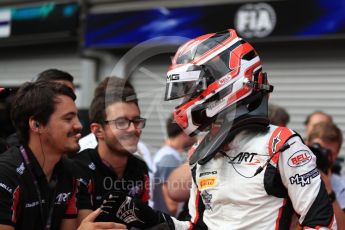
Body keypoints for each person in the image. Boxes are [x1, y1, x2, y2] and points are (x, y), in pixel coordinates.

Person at [98, 29, 336, 229]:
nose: (183, 102)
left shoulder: (281, 144)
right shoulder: (199, 153)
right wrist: (153, 219)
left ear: (226, 83)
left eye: (190, 89)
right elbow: (196, 225)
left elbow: (321, 223)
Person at [0, 81, 82, 230]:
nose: (79, 125)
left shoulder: (70, 171)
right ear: (36, 125)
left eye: (76, 117)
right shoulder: (6, 175)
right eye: (68, 119)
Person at [72, 77, 150, 223]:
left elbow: (145, 221)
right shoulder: (78, 168)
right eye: (122, 122)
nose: (133, 129)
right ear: (98, 130)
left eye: (137, 121)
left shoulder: (140, 169)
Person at [6, 69, 75, 148]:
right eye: (60, 92)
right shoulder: (15, 147)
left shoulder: (75, 140)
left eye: (70, 94)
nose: (69, 99)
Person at [152, 115, 196, 216]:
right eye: (193, 131)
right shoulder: (169, 159)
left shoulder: (168, 153)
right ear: (185, 132)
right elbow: (171, 205)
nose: (196, 135)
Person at [306, 122, 345, 229]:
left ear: (336, 154)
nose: (322, 156)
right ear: (306, 144)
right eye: (318, 150)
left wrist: (329, 192)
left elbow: (342, 227)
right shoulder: (291, 174)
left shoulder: (341, 186)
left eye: (329, 153)